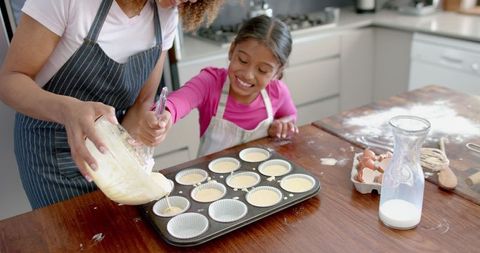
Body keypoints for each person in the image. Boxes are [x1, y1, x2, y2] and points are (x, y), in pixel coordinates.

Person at [0, 0, 224, 209]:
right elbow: (9, 81)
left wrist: (147, 126)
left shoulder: (166, 14)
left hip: (114, 153)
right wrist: (68, 110)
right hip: (51, 154)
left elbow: (142, 102)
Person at [164, 15, 298, 157]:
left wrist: (282, 125)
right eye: (243, 60)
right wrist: (167, 113)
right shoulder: (210, 82)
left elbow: (290, 116)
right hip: (211, 176)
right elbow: (182, 99)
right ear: (232, 49)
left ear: (278, 72)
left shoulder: (278, 92)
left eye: (262, 70)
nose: (248, 75)